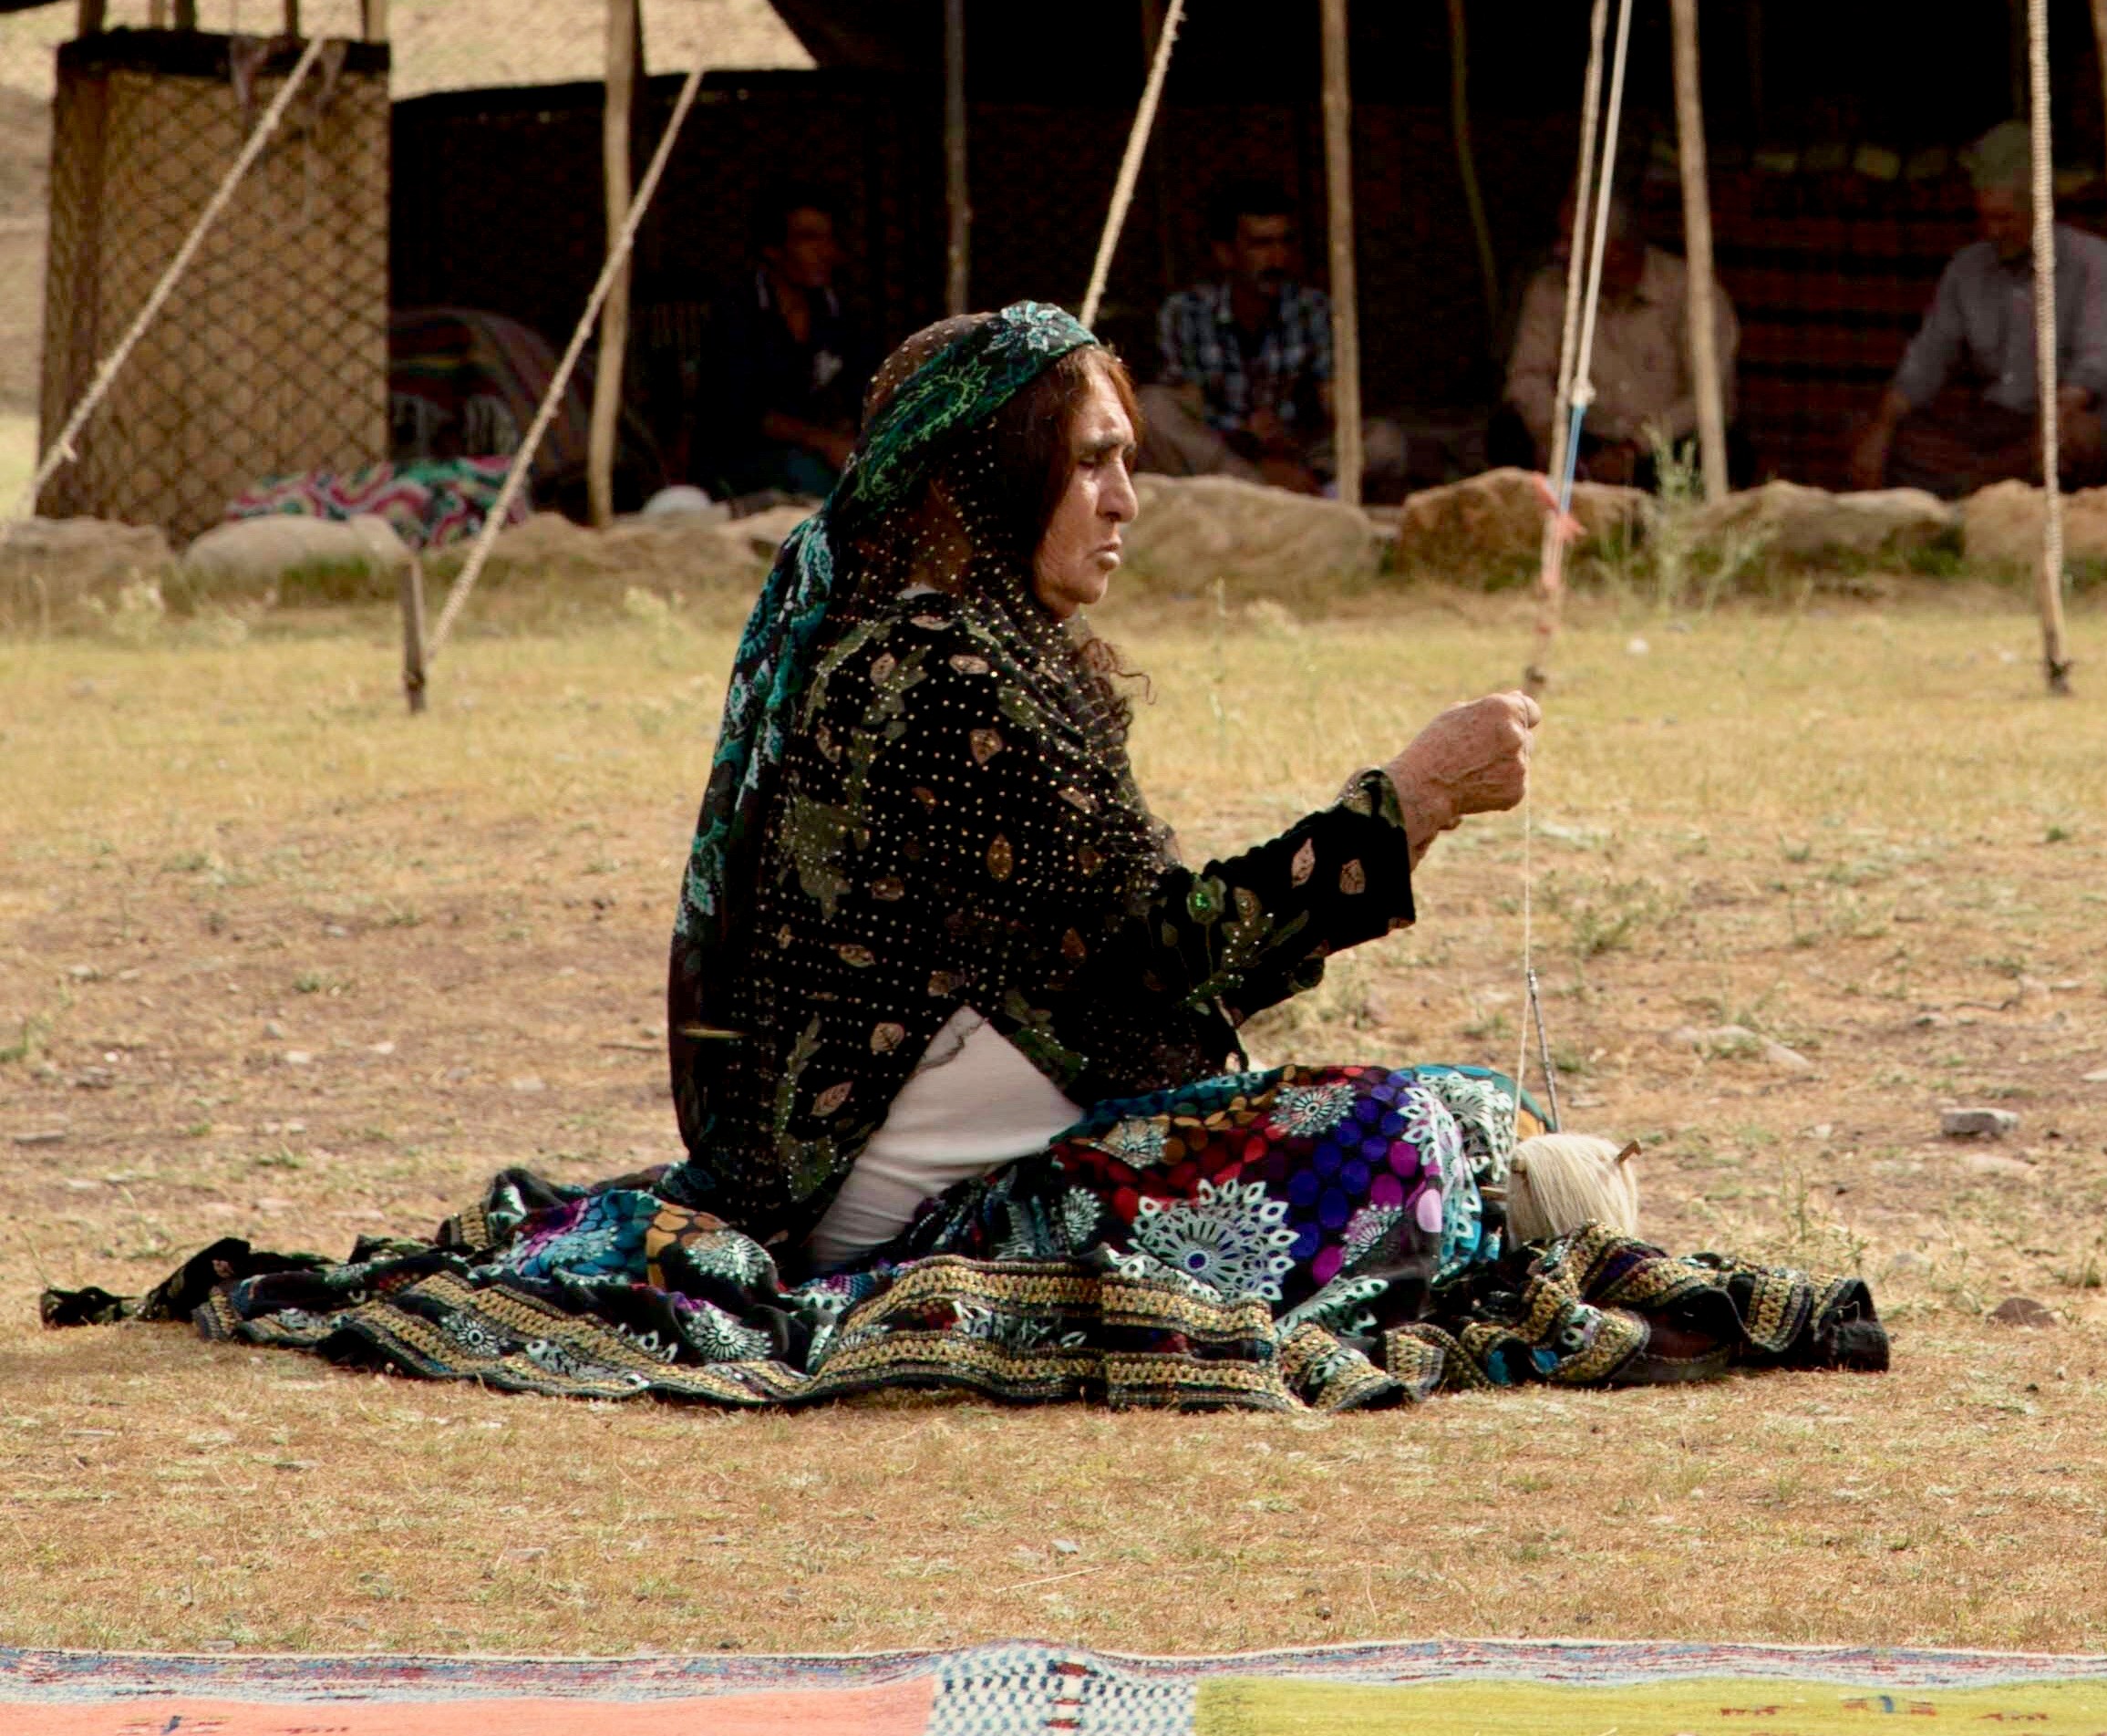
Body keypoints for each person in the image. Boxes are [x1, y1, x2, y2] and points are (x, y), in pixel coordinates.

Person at [54, 305, 1884, 1416]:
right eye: (1086, 459)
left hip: (881, 1150)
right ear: (985, 478)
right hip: (886, 1191)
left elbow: (1113, 967)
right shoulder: (942, 682)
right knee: (1447, 1134)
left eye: (1123, 456)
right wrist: (1400, 803)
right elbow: (1169, 955)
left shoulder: (925, 647)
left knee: (1406, 1126)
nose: (1125, 493)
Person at [1848, 122, 2107, 498]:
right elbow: (1927, 359)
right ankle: (1989, 485)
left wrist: (2055, 419)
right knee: (1871, 434)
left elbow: (2096, 364)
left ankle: (1981, 487)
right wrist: (1882, 429)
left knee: (2073, 442)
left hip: (2073, 418)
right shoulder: (1967, 268)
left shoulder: (2093, 261)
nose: (1994, 231)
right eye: (1986, 218)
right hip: (2001, 432)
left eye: (2006, 219)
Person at [1502, 189, 1740, 489]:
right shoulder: (1549, 289)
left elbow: (1710, 397)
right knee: (1507, 434)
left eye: (1572, 241)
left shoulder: (1688, 292)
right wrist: (1552, 437)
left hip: (1662, 446)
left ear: (1615, 249)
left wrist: (1635, 448)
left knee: (1714, 454)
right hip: (1582, 441)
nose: (1560, 251)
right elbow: (1527, 376)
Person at [1141, 185, 1336, 491]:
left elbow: (1333, 400)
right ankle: (1265, 487)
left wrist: (1290, 436)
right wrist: (1242, 434)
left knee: (1383, 442)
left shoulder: (1312, 308)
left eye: (1285, 243)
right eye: (1261, 245)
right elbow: (1187, 404)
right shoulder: (1186, 312)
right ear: (1226, 253)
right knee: (1152, 407)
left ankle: (1283, 487)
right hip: (1224, 451)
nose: (1277, 258)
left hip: (1296, 450)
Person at [696, 198, 862, 502]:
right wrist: (824, 441)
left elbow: (861, 387)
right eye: (809, 239)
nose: (825, 252)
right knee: (812, 477)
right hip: (741, 457)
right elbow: (741, 411)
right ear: (772, 250)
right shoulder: (739, 311)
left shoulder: (836, 311)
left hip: (816, 449)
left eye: (830, 239)